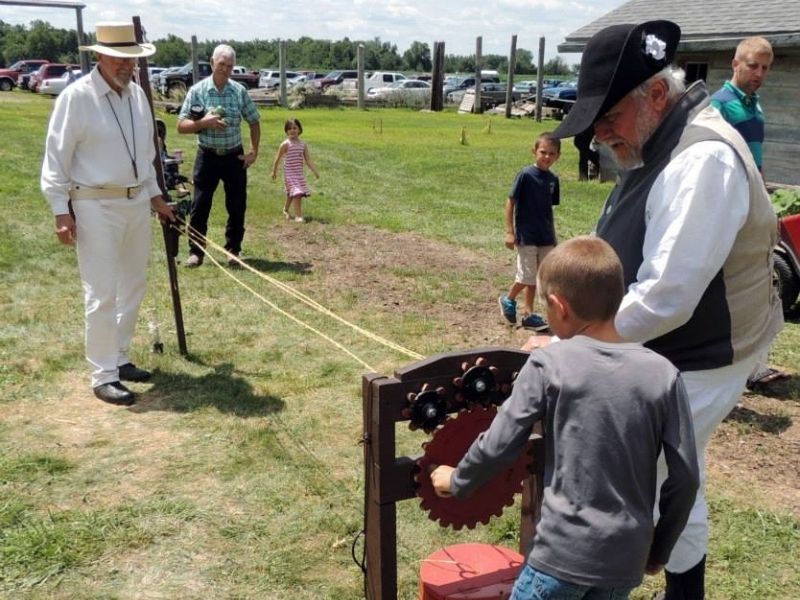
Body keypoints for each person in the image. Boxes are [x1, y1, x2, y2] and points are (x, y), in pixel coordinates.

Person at [529, 20, 783, 599]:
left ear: (657, 96)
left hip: (704, 355)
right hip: (672, 349)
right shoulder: (657, 137)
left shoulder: (702, 160)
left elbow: (667, 296)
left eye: (609, 119)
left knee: (635, 479)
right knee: (675, 480)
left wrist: (574, 346)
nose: (600, 137)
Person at [431, 236, 700, 600]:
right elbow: (685, 478)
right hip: (625, 561)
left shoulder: (548, 364)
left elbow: (500, 445)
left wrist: (458, 480)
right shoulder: (664, 374)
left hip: (560, 558)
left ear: (559, 307)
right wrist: (660, 548)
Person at [40, 22, 175, 406]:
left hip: (135, 205)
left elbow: (145, 159)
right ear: (100, 55)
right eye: (119, 58)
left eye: (131, 59)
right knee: (101, 292)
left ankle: (119, 356)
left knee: (134, 283)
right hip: (93, 204)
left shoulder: (137, 98)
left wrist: (156, 199)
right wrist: (59, 211)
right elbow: (56, 158)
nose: (126, 66)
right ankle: (102, 374)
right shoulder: (76, 98)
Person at [711, 37, 788, 390]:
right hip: (728, 208)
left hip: (752, 205)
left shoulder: (755, 108)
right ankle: (728, 361)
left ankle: (752, 364)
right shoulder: (720, 106)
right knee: (726, 286)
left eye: (765, 67)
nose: (759, 73)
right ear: (735, 64)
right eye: (752, 65)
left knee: (755, 285)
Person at [177, 44, 261, 268]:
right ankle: (196, 252)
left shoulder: (239, 91)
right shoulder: (198, 91)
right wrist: (205, 122)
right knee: (200, 205)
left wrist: (253, 152)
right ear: (212, 63)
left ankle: (233, 250)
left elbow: (254, 121)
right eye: (221, 64)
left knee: (237, 205)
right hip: (207, 156)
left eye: (230, 66)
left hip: (234, 157)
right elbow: (181, 126)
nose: (225, 69)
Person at [498, 132, 561, 332]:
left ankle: (528, 314)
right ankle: (508, 299)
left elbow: (548, 210)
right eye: (543, 152)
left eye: (552, 154)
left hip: (545, 237)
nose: (547, 157)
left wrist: (553, 236)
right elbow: (510, 202)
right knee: (526, 276)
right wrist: (510, 232)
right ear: (534, 152)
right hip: (527, 236)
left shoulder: (553, 179)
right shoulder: (525, 175)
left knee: (539, 277)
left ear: (558, 156)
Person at [270, 117, 320, 223]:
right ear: (286, 131)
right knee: (297, 193)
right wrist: (274, 171)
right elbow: (277, 158)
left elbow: (308, 160)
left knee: (290, 193)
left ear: (299, 130)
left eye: (294, 128)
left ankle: (285, 209)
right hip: (289, 174)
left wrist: (315, 171)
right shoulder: (285, 144)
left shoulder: (303, 145)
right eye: (289, 129)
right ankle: (298, 216)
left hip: (298, 174)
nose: (292, 130)